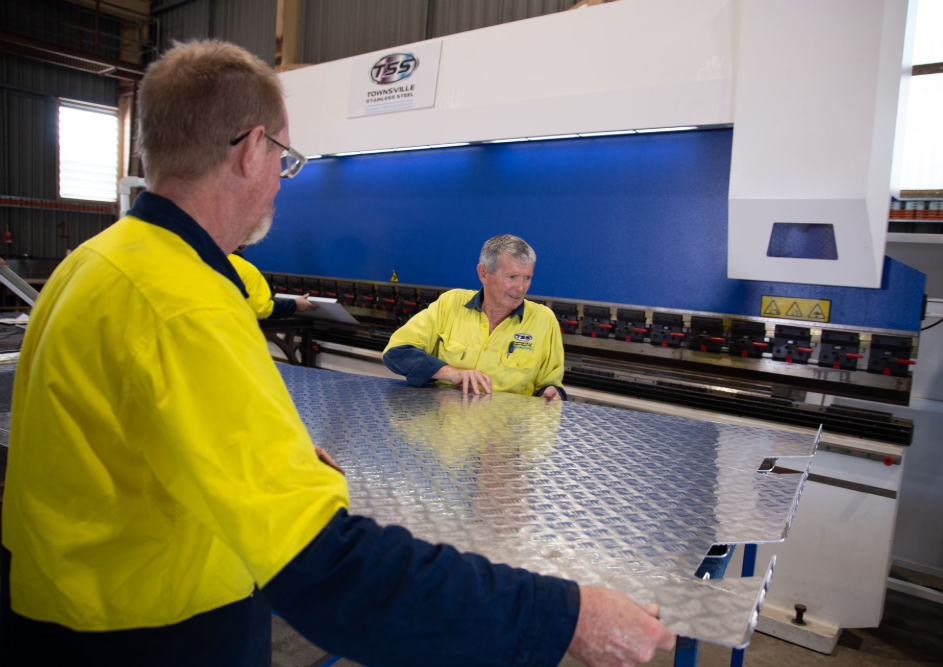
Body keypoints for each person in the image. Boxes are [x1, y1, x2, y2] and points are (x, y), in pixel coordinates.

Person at [0, 40, 674, 667]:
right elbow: (329, 570)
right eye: (286, 161)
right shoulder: (185, 303)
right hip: (151, 629)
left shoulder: (93, 263)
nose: (281, 182)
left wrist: (281, 460)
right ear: (251, 149)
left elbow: (138, 446)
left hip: (63, 608)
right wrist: (564, 615)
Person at [383, 235, 566, 400]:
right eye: (512, 277)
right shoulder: (451, 304)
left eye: (527, 278)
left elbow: (550, 384)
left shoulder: (544, 321)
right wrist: (451, 373)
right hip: (446, 426)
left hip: (507, 432)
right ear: (484, 273)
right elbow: (396, 352)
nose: (521, 287)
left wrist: (552, 393)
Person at [229, 244, 316, 319]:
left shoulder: (217, 262)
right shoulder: (246, 270)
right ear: (244, 245)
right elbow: (261, 309)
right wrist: (294, 305)